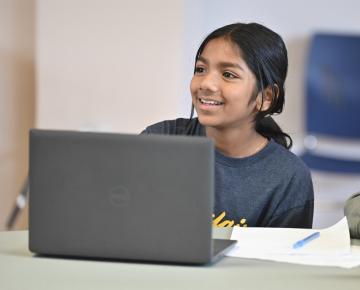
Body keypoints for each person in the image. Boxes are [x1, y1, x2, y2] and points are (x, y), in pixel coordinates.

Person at [142, 22, 314, 228]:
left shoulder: (288, 177)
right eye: (200, 69)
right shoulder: (158, 141)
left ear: (265, 97)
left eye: (228, 74)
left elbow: (284, 258)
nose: (206, 83)